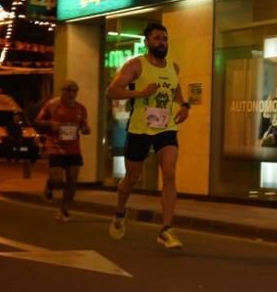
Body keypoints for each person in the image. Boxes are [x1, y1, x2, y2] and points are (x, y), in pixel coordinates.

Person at [106, 23, 190, 248]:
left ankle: (166, 229)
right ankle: (120, 210)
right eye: (156, 38)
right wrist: (139, 93)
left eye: (164, 38)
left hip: (166, 128)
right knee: (132, 179)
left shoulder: (173, 67)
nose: (161, 42)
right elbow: (111, 90)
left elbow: (175, 89)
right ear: (147, 42)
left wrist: (184, 105)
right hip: (139, 130)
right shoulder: (135, 65)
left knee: (170, 173)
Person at [35, 80, 91, 221]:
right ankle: (49, 186)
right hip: (55, 147)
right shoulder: (52, 105)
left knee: (72, 179)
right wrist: (50, 124)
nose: (71, 94)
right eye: (68, 91)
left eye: (74, 91)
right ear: (62, 91)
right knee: (57, 178)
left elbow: (84, 126)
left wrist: (86, 129)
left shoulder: (81, 109)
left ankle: (64, 210)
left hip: (73, 148)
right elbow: (37, 122)